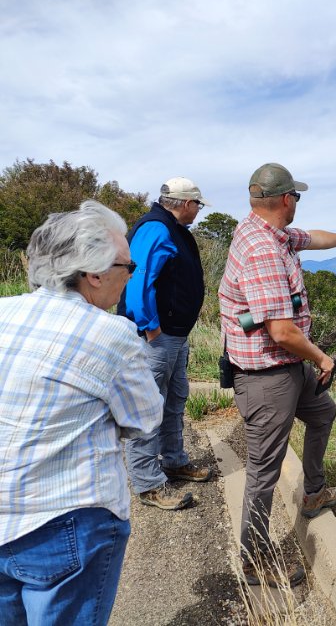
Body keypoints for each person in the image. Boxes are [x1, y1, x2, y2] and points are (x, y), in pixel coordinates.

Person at [0, 201, 163, 625]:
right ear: (94, 274)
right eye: (128, 267)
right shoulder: (112, 335)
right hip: (64, 521)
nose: (131, 277)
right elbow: (145, 420)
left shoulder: (3, 311)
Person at [219, 163, 336, 587]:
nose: (299, 202)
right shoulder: (264, 250)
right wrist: (323, 358)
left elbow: (313, 238)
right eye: (297, 196)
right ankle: (253, 561)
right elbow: (281, 331)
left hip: (286, 370)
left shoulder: (271, 232)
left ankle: (312, 493)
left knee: (323, 413)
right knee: (263, 473)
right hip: (268, 377)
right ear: (286, 199)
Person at [118, 177, 214, 511]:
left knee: (174, 402)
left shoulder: (170, 228)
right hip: (157, 337)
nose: (198, 212)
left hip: (174, 336)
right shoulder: (156, 229)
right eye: (198, 205)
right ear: (186, 203)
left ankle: (174, 461)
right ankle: (147, 484)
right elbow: (138, 279)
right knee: (148, 408)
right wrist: (151, 328)